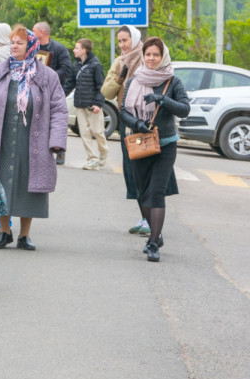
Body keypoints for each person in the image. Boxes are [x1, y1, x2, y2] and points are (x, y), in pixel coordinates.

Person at [0, 23, 68, 252]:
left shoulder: (47, 75)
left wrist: (57, 140)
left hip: (33, 139)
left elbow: (59, 109)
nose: (14, 47)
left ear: (31, 46)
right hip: (2, 135)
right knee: (2, 182)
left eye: (19, 43)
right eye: (12, 43)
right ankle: (4, 231)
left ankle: (24, 235)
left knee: (27, 185)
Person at [118, 37, 190, 262]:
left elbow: (185, 109)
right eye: (148, 54)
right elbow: (122, 111)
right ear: (144, 56)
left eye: (156, 55)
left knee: (157, 192)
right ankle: (156, 235)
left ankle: (152, 243)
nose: (151, 58)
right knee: (143, 192)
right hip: (140, 144)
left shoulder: (172, 81)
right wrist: (137, 124)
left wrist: (162, 99)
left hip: (166, 145)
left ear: (163, 57)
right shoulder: (134, 81)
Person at [101, 24, 155, 236]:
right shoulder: (119, 62)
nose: (122, 45)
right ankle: (145, 217)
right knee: (133, 171)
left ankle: (151, 218)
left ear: (135, 39)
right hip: (127, 122)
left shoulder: (148, 58)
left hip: (148, 123)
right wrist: (120, 77)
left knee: (147, 169)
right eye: (120, 41)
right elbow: (106, 91)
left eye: (126, 40)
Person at [32, 22, 77, 164]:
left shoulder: (59, 49)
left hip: (53, 91)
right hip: (34, 90)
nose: (32, 33)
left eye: (34, 31)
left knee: (56, 122)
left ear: (41, 33)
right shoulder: (32, 47)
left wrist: (48, 77)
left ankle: (60, 151)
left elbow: (66, 69)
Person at [73, 38, 109, 170]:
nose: (74, 50)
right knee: (84, 133)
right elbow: (70, 84)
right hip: (80, 104)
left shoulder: (96, 65)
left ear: (83, 50)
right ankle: (92, 159)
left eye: (76, 48)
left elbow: (102, 86)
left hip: (93, 106)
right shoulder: (76, 65)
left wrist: (98, 104)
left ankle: (104, 151)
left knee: (97, 131)